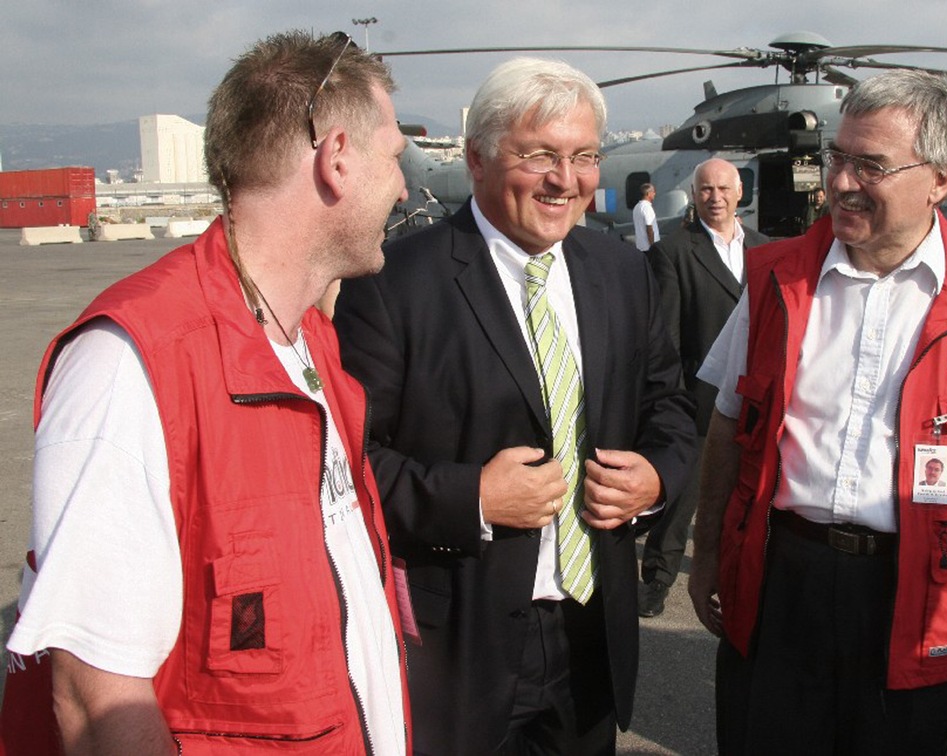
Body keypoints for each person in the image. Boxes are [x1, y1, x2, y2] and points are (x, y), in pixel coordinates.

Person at [1, 31, 412, 755]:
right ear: (338, 157)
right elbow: (98, 699)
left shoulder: (310, 343)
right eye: (395, 159)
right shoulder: (130, 368)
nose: (405, 188)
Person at [687, 69, 947, 755]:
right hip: (785, 579)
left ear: (941, 178)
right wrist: (705, 561)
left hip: (922, 593)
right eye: (837, 157)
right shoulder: (775, 280)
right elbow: (729, 426)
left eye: (870, 165)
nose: (841, 182)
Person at [333, 57, 696, 755]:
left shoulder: (621, 272)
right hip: (458, 645)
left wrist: (655, 481)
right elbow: (345, 464)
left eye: (585, 156)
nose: (568, 180)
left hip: (591, 634)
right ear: (476, 160)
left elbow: (669, 406)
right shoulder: (395, 284)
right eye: (541, 156)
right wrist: (472, 496)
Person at [638, 158, 770, 618]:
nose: (715, 198)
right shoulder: (674, 252)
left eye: (722, 189)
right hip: (701, 404)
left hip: (758, 399)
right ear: (694, 197)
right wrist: (673, 403)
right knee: (681, 503)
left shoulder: (765, 250)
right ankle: (656, 581)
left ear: (739, 194)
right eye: (705, 190)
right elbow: (667, 339)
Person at [632, 182, 660, 251]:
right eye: (653, 192)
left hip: (640, 247)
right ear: (648, 194)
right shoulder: (647, 207)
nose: (654, 194)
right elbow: (649, 228)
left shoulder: (637, 207)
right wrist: (653, 246)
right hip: (649, 248)